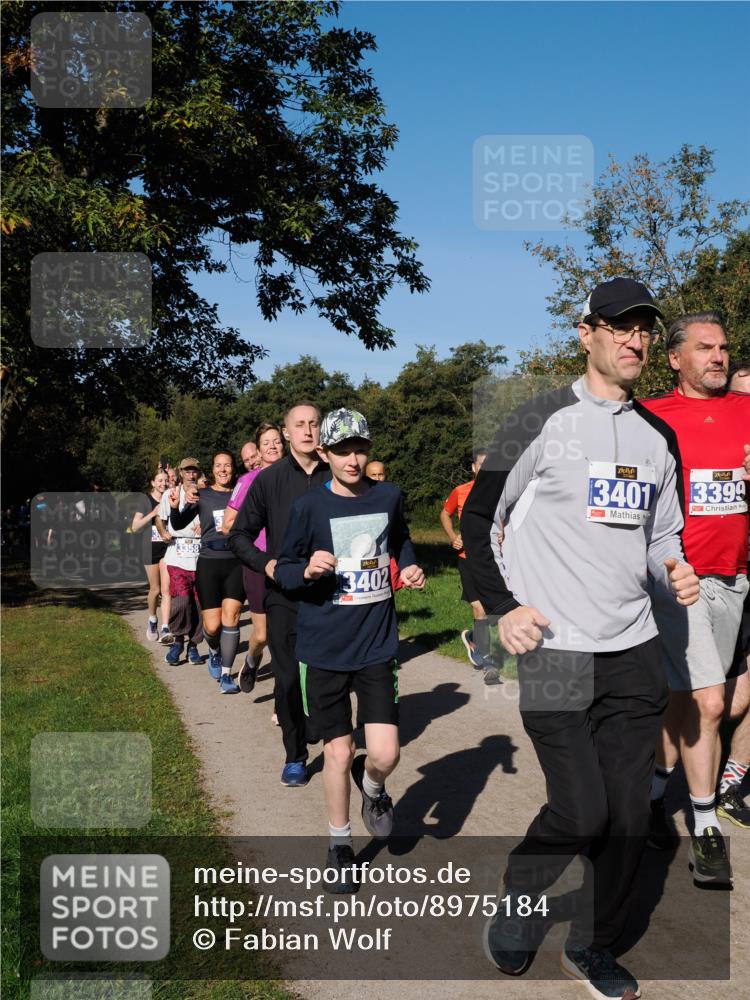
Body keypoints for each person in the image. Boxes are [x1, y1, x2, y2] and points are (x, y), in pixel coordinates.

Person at [462, 277, 700, 999]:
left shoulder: (659, 437)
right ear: (586, 331)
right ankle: (519, 894)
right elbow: (479, 522)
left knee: (629, 816)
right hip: (557, 648)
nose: (635, 340)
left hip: (632, 649)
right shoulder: (536, 418)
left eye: (645, 329)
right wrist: (503, 607)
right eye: (620, 327)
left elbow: (663, 535)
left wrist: (676, 570)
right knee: (581, 810)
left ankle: (591, 945)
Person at [275, 408, 424, 887]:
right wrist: (307, 570)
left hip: (377, 644)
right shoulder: (309, 508)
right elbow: (285, 570)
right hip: (323, 648)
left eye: (360, 448)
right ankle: (339, 844)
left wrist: (411, 565)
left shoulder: (389, 496)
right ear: (325, 453)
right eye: (342, 451)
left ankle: (374, 785)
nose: (353, 459)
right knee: (337, 752)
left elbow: (400, 540)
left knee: (385, 752)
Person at [642, 316, 750, 873]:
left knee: (684, 703)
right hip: (677, 580)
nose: (718, 356)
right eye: (704, 348)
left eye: (724, 347)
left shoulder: (747, 409)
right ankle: (706, 824)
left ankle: (654, 797)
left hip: (734, 577)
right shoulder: (651, 417)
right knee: (711, 702)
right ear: (674, 359)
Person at [229, 401, 331, 787]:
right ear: (286, 433)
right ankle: (295, 755)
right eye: (299, 425)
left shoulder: (335, 474)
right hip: (283, 592)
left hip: (330, 593)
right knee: (287, 678)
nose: (308, 430)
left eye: (314, 424)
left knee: (324, 675)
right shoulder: (268, 481)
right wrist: (266, 564)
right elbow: (238, 535)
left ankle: (318, 723)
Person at [168, 452, 244, 694]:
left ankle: (226, 675)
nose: (223, 470)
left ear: (233, 469)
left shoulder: (244, 493)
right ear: (212, 469)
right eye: (218, 466)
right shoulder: (203, 495)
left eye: (227, 466)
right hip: (209, 562)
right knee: (211, 627)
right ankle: (214, 650)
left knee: (231, 617)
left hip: (236, 562)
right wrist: (174, 508)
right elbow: (179, 523)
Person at [222, 423, 285, 693]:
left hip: (290, 563)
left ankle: (284, 700)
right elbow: (227, 525)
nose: (272, 446)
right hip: (258, 564)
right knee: (263, 634)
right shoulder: (247, 482)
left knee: (288, 635)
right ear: (258, 452)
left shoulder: (297, 477)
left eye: (277, 441)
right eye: (266, 443)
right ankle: (252, 658)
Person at [439, 448, 498, 684]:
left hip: (495, 560)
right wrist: (453, 536)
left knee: (496, 612)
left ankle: (475, 637)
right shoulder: (460, 491)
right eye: (482, 465)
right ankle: (488, 662)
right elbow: (445, 514)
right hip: (468, 559)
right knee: (481, 610)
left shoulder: (501, 492)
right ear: (474, 468)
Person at [159, 458, 204, 666]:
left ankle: (193, 645)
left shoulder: (205, 494)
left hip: (199, 554)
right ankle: (177, 640)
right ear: (181, 473)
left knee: (197, 603)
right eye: (187, 471)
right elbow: (160, 518)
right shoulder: (171, 494)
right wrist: (162, 532)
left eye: (194, 471)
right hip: (176, 554)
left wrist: (206, 528)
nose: (191, 475)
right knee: (182, 600)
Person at [131, 470, 172, 642]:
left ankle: (165, 628)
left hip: (167, 549)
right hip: (150, 549)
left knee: (167, 590)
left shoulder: (171, 499)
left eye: (166, 480)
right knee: (155, 589)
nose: (163, 483)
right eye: (160, 480)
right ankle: (152, 619)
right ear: (153, 483)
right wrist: (153, 513)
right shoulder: (145, 501)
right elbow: (135, 527)